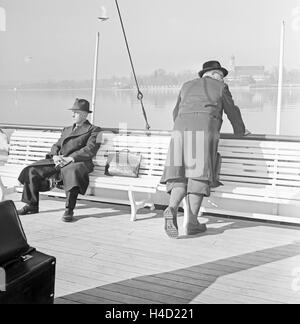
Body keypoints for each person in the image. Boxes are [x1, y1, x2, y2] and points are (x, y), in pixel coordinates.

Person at [161, 60, 250, 239]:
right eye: (222, 75)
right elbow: (232, 111)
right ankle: (192, 223)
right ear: (215, 74)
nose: (223, 79)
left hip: (180, 130)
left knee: (178, 174)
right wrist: (240, 131)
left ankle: (171, 208)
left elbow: (175, 112)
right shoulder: (220, 87)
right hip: (203, 129)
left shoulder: (186, 86)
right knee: (198, 175)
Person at [17, 99, 101, 222]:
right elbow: (56, 145)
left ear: (84, 114)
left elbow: (90, 149)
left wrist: (70, 158)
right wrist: (55, 155)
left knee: (72, 171)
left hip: (78, 162)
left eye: (76, 112)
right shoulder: (66, 129)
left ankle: (69, 209)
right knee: (32, 170)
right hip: (59, 161)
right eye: (73, 112)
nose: (72, 115)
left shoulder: (94, 130)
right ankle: (31, 205)